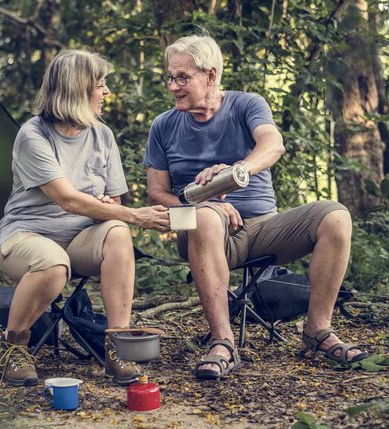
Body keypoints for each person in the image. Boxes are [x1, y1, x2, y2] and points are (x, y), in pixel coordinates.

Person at [144, 34, 368, 380]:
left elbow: (273, 144)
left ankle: (317, 331)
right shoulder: (164, 125)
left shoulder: (246, 104)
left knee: (336, 216)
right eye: (170, 77)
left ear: (211, 75)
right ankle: (222, 342)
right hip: (201, 229)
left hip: (263, 227)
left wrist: (237, 172)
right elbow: (157, 194)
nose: (173, 86)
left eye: (182, 77)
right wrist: (207, 203)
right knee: (205, 217)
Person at [0, 49, 170, 386]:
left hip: (80, 239)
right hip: (27, 236)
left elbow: (113, 202)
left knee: (118, 231)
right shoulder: (34, 135)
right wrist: (135, 215)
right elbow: (67, 199)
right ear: (77, 90)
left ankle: (117, 346)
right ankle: (14, 347)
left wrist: (108, 205)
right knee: (54, 264)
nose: (106, 93)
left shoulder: (102, 135)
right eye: (100, 85)